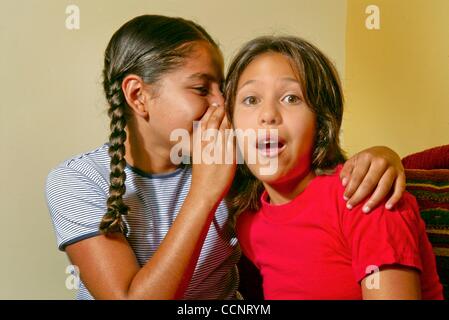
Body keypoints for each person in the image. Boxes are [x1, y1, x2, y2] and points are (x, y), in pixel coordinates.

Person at [46, 15, 407, 300]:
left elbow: (307, 173)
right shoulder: (76, 181)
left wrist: (383, 156)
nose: (221, 103)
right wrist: (203, 193)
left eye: (224, 89)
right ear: (138, 95)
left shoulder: (240, 162)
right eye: (202, 89)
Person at [226, 35, 444, 299]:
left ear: (322, 121)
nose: (268, 114)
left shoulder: (365, 195)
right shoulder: (247, 222)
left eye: (291, 98)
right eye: (251, 100)